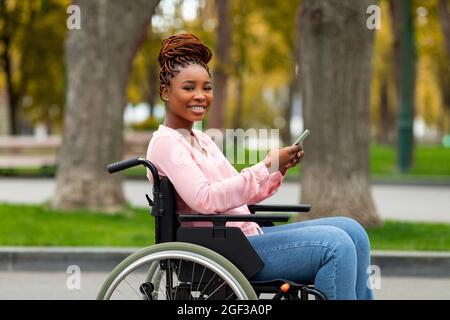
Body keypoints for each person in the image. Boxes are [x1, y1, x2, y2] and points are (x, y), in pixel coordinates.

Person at [146, 33, 374, 300]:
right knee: (336, 246)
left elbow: (238, 192)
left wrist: (276, 168)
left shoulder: (202, 139)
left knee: (353, 231)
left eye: (206, 88)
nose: (200, 95)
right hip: (222, 249)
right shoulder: (166, 143)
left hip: (243, 237)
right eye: (189, 88)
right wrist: (265, 165)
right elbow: (206, 198)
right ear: (165, 92)